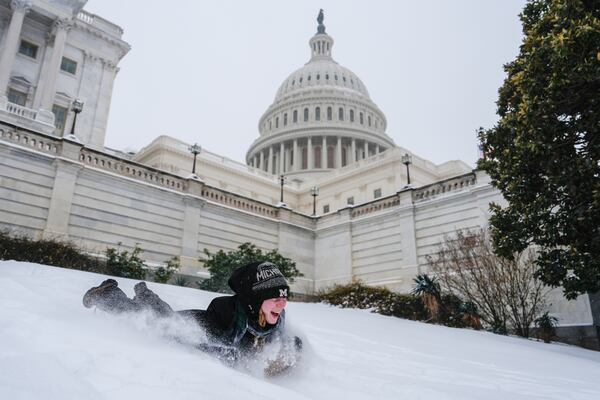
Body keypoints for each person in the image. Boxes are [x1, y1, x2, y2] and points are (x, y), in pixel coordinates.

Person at [82, 261, 301, 373]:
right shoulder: (233, 313)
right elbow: (226, 353)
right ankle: (108, 294)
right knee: (152, 320)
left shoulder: (276, 317)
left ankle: (145, 296)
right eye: (274, 298)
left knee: (158, 312)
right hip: (192, 326)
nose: (281, 303)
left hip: (205, 334)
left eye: (284, 297)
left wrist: (287, 357)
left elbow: (278, 342)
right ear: (254, 300)